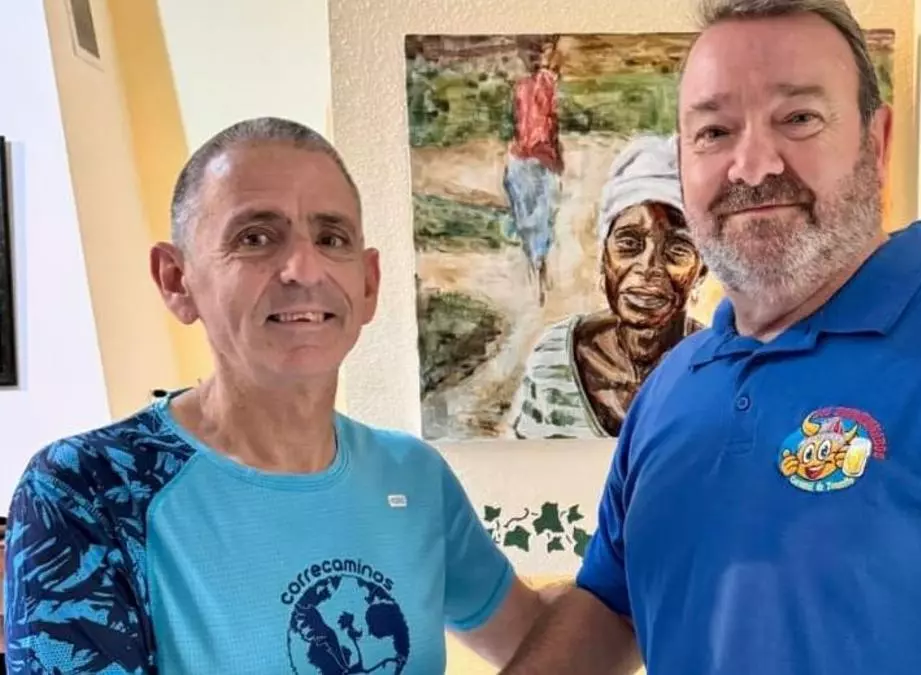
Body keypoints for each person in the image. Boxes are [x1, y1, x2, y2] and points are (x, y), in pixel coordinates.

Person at [500, 1, 921, 674]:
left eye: (798, 118)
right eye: (714, 131)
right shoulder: (670, 390)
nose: (753, 164)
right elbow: (613, 608)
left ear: (877, 141)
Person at [3, 118, 549, 674]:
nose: (303, 269)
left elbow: (544, 640)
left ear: (368, 283)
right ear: (176, 279)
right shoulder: (89, 490)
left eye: (331, 239)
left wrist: (608, 567)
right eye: (255, 238)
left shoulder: (414, 477)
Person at [509, 134, 706, 439]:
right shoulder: (554, 359)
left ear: (702, 268)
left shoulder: (719, 367)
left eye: (678, 249)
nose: (648, 267)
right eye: (629, 243)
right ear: (604, 256)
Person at [503, 36, 565, 307]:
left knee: (535, 216)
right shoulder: (530, 85)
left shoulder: (535, 84)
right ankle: (537, 266)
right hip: (531, 158)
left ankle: (537, 265)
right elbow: (546, 123)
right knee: (536, 216)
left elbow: (549, 123)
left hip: (531, 158)